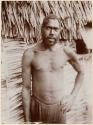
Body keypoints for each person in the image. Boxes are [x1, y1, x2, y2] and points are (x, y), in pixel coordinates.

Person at [22, 14, 84, 123]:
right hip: (37, 107)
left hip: (59, 107)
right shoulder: (30, 54)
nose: (52, 33)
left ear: (60, 31)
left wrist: (72, 96)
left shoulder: (66, 52)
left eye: (55, 29)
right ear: (42, 29)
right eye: (48, 28)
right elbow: (26, 88)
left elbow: (81, 72)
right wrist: (27, 121)